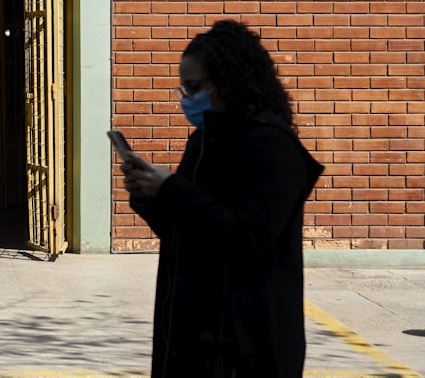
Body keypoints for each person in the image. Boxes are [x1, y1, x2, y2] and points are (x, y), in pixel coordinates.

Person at [121, 19, 323, 377]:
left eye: (193, 87)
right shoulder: (203, 141)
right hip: (191, 337)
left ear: (230, 81)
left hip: (243, 347)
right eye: (182, 88)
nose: (186, 99)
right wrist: (150, 195)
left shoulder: (272, 147)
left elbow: (248, 237)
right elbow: (187, 229)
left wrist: (172, 189)